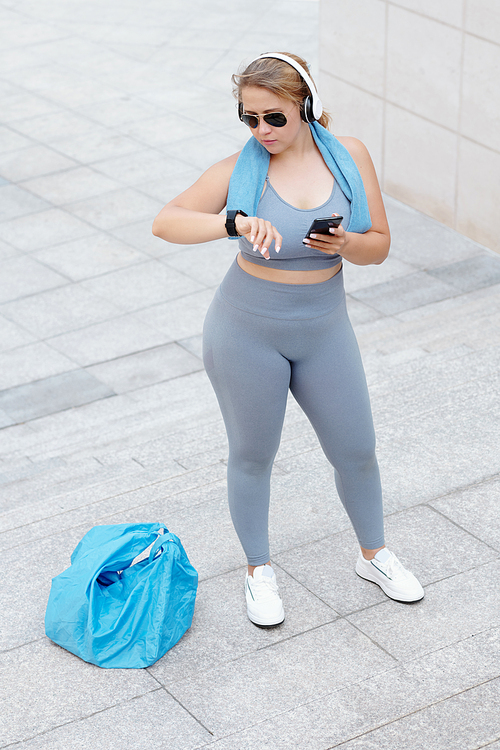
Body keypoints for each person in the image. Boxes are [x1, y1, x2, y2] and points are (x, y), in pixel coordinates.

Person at [153, 52, 424, 627]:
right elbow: (167, 221)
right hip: (244, 330)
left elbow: (379, 243)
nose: (262, 132)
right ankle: (258, 571)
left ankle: (374, 555)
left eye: (273, 117)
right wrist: (232, 223)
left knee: (356, 449)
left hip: (324, 328)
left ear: (306, 105)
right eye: (250, 119)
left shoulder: (349, 156)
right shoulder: (239, 169)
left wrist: (346, 244)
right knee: (253, 456)